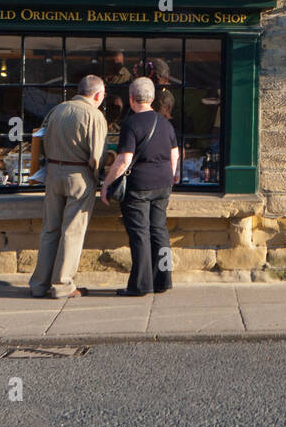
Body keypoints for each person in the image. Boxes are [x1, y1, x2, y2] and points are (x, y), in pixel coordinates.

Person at [29, 75, 108, 299]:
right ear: (97, 94)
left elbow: (41, 140)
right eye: (103, 95)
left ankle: (39, 284)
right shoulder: (94, 115)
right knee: (72, 231)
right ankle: (62, 285)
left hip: (53, 173)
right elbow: (96, 156)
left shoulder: (57, 110)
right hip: (79, 175)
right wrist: (98, 177)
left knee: (50, 229)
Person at [101, 76, 179, 296]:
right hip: (163, 184)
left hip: (139, 186)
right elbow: (175, 154)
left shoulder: (131, 124)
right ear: (153, 98)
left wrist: (107, 184)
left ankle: (140, 285)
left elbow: (124, 159)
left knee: (140, 234)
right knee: (159, 231)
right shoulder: (165, 123)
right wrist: (170, 177)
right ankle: (163, 280)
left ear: (131, 98)